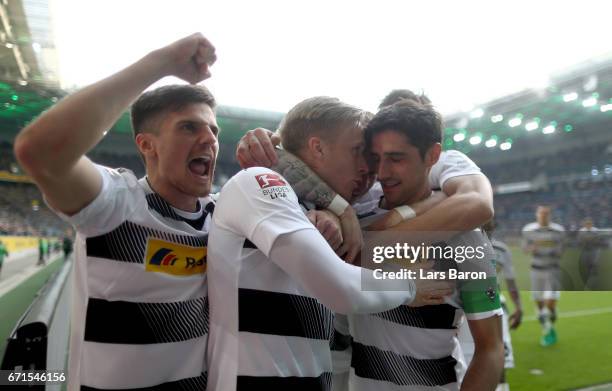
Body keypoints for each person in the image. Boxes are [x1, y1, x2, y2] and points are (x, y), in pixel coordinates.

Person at [207, 96, 454, 391]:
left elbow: (463, 194)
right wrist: (410, 286)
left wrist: (337, 209)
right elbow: (339, 288)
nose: (370, 168)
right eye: (358, 151)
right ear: (318, 147)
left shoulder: (313, 208)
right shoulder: (258, 182)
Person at [15, 33, 218, 390]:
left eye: (213, 130)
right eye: (189, 127)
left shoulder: (224, 214)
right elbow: (40, 151)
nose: (210, 139)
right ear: (146, 144)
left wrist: (332, 212)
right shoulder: (116, 204)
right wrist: (162, 62)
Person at [459, 219, 522, 391]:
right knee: (462, 365)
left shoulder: (502, 249)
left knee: (498, 362)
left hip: (494, 308)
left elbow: (511, 281)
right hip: (463, 312)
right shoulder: (457, 245)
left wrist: (519, 306)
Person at [521, 205, 565, 346]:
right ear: (537, 214)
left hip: (552, 270)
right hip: (536, 271)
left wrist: (555, 250)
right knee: (540, 307)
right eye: (541, 213)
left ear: (549, 215)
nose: (543, 216)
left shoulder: (558, 231)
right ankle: (547, 324)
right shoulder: (528, 230)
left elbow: (562, 249)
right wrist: (531, 248)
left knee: (549, 304)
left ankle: (548, 330)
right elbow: (524, 249)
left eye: (546, 213)